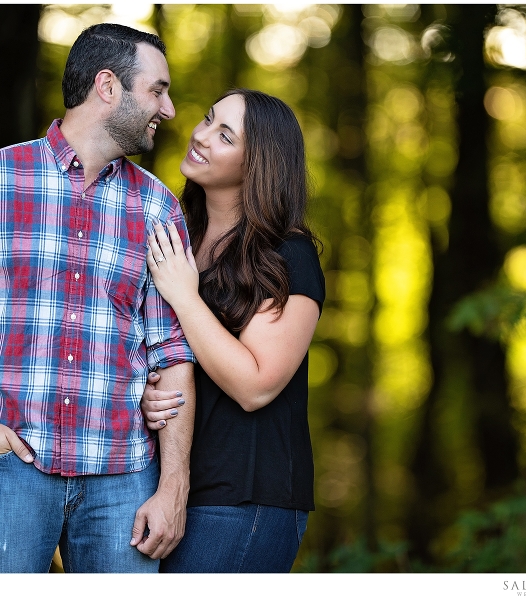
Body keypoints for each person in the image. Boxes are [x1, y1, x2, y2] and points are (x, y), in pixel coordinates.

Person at [0, 23, 196, 573]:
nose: (170, 108)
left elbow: (172, 351)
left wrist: (173, 486)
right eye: (157, 90)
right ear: (107, 86)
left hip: (123, 479)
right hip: (7, 469)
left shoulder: (159, 208)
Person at [141, 89, 325, 573]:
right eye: (207, 119)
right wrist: (145, 391)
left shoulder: (289, 255)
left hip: (245, 501)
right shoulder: (176, 235)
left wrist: (185, 295)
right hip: (166, 488)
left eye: (224, 136)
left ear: (257, 165)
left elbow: (256, 385)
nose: (200, 135)